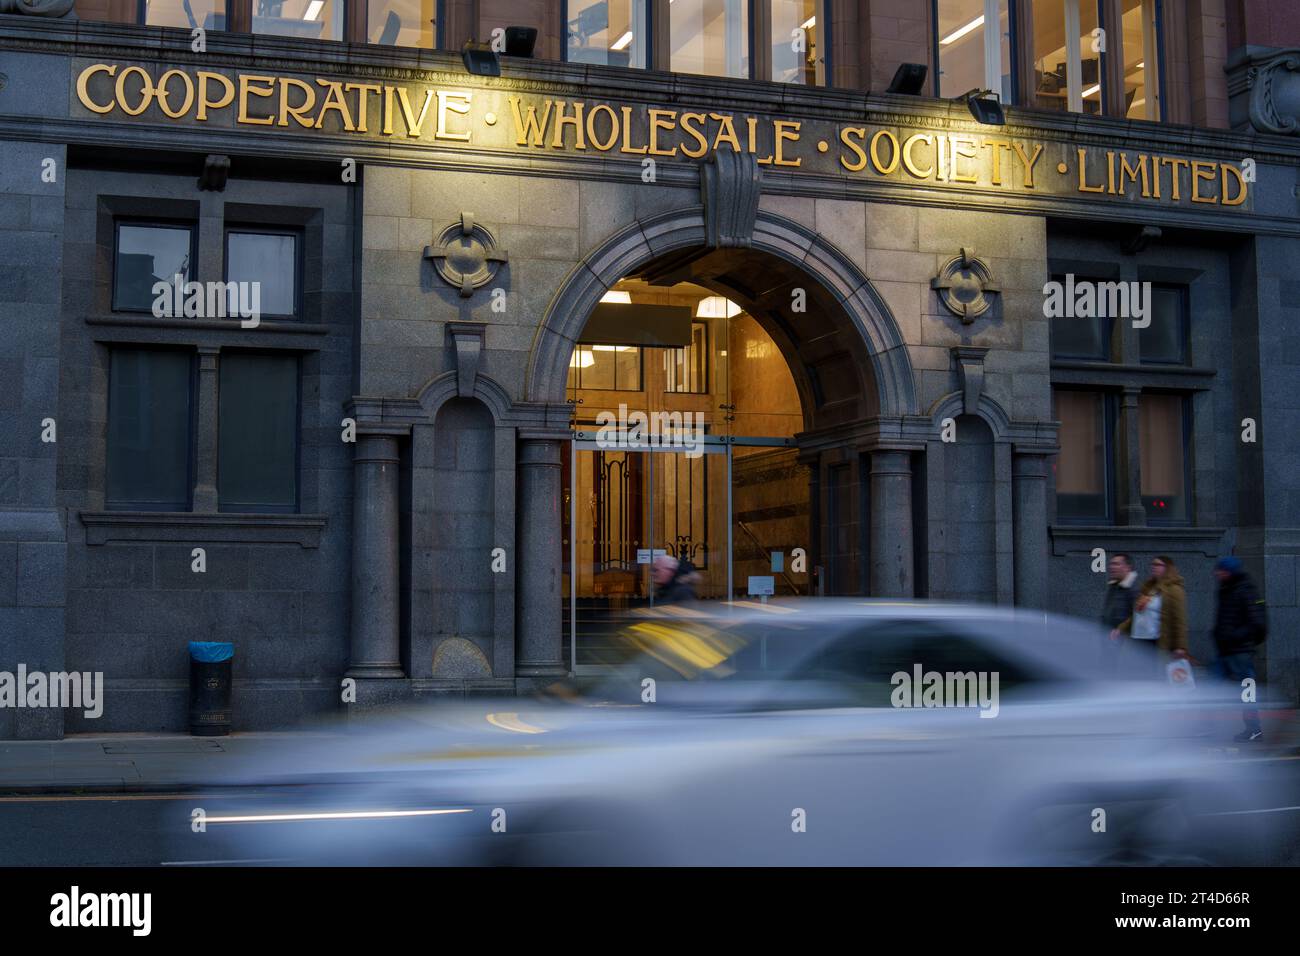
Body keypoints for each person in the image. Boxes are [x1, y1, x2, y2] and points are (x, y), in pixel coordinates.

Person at [1211, 556, 1266, 742]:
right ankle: (1207, 727)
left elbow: (1257, 623)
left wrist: (1235, 637)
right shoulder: (1226, 589)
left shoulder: (1246, 590)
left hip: (1241, 652)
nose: (1218, 573)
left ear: (1230, 571)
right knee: (1211, 687)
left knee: (1247, 694)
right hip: (1225, 652)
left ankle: (1254, 729)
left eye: (1222, 570)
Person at [1117, 555, 1188, 674]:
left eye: (1158, 565)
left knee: (1154, 676)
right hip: (1138, 639)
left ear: (1168, 568)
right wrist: (1121, 628)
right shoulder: (1148, 588)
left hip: (1155, 641)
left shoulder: (1175, 590)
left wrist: (1180, 646)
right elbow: (1137, 614)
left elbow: (1179, 620)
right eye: (1153, 564)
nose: (1154, 567)